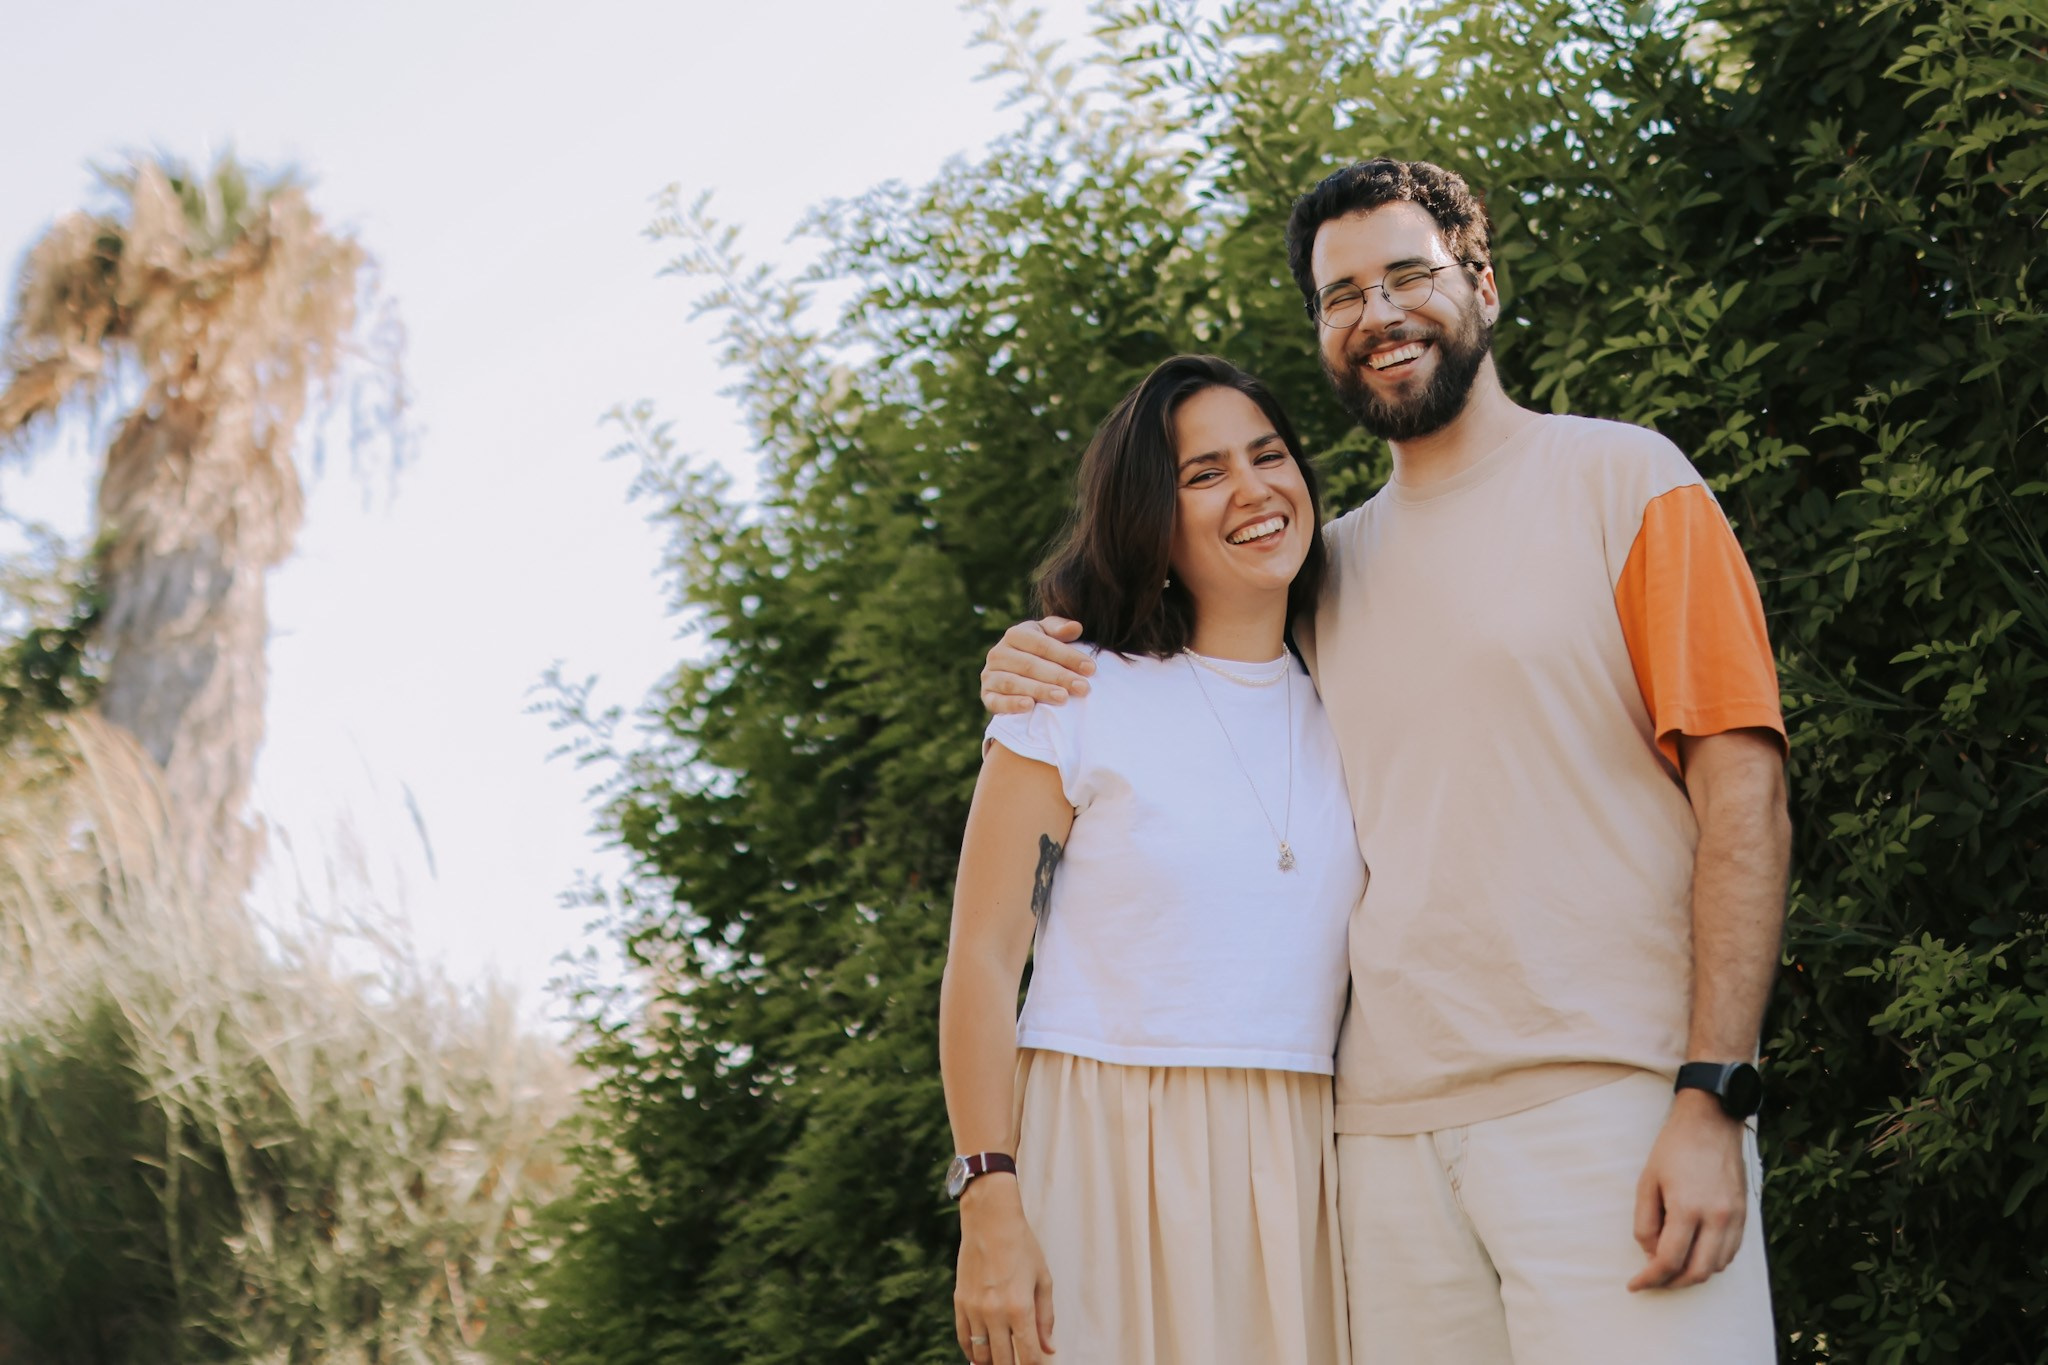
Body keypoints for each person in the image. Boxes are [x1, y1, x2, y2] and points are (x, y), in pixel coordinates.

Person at [980, 159, 1791, 1363]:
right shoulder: (1319, 575)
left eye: (1407, 274)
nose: (1377, 313)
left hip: (1608, 1110)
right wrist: (1025, 659)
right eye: (1339, 294)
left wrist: (1710, 1091)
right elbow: (1182, 686)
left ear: (1481, 283)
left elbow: (1745, 796)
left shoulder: (1627, 482)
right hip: (1377, 1151)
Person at [939, 354, 1365, 1365]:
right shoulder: (1072, 693)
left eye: (1268, 456)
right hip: (1101, 1141)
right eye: (1204, 473)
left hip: (1305, 1152)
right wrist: (987, 1197)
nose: (1254, 489)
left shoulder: (1359, 693)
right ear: (1151, 521)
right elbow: (984, 961)